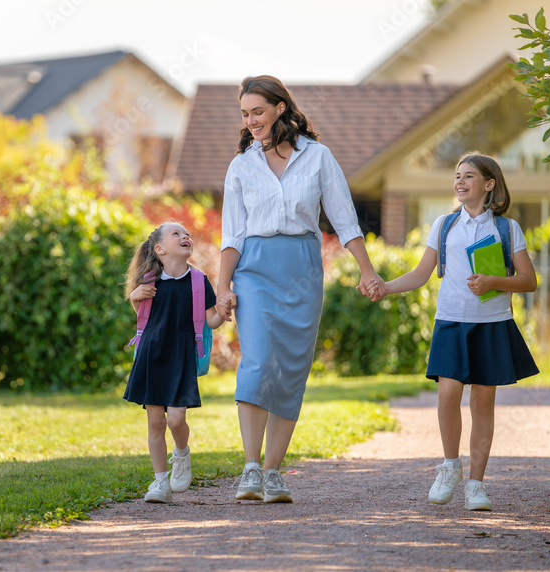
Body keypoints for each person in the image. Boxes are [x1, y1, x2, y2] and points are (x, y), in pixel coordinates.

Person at [217, 75, 382, 504]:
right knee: (256, 362)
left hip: (302, 269)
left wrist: (367, 271)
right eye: (245, 113)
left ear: (280, 109)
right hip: (254, 269)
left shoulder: (318, 157)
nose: (251, 120)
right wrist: (222, 287)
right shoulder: (241, 166)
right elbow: (232, 235)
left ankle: (273, 472)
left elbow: (345, 219)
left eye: (258, 111)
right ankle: (251, 468)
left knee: (290, 369)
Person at [372, 152, 539, 511]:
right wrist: (385, 286)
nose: (460, 182)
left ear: (489, 184)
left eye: (468, 176)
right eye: (457, 176)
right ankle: (450, 466)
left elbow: (529, 281)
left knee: (482, 403)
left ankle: (476, 485)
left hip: (492, 325)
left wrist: (494, 280)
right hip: (450, 322)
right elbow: (421, 274)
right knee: (448, 394)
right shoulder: (444, 225)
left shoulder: (507, 229)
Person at [124, 222, 228, 504]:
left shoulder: (198, 281)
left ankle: (181, 453)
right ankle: (160, 482)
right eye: (177, 234)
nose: (185, 237)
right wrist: (134, 297)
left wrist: (223, 310)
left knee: (176, 419)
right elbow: (143, 318)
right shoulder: (148, 281)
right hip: (151, 354)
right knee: (155, 423)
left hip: (180, 356)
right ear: (159, 249)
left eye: (187, 234)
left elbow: (211, 321)